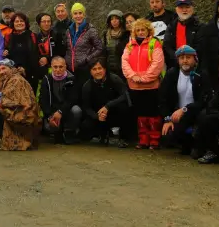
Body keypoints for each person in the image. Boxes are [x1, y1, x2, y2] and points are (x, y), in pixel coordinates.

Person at [121, 19, 165, 150]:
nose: (140, 32)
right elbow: (124, 62)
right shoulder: (129, 45)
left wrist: (144, 78)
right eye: (138, 30)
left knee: (153, 114)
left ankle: (154, 140)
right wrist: (133, 76)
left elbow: (157, 64)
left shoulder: (154, 44)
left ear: (148, 31)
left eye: (143, 30)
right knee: (140, 114)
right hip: (135, 86)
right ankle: (143, 140)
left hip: (151, 86)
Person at [163, 0, 219, 90]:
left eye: (187, 7)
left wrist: (189, 60)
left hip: (196, 69)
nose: (184, 10)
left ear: (192, 9)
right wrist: (178, 59)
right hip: (176, 67)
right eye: (181, 7)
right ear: (176, 9)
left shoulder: (200, 26)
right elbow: (167, 45)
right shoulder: (171, 26)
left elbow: (200, 46)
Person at [159, 46, 207, 155]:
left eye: (188, 57)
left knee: (203, 120)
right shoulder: (172, 74)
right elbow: (163, 98)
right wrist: (167, 119)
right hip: (178, 115)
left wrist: (185, 109)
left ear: (195, 59)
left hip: (196, 113)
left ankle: (198, 144)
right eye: (182, 58)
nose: (185, 60)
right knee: (167, 135)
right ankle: (186, 144)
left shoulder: (201, 74)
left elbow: (204, 100)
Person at [79, 59, 132, 145]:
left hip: (114, 112)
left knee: (124, 108)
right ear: (90, 72)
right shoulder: (87, 86)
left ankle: (123, 137)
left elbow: (125, 95)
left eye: (100, 68)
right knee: (85, 127)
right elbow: (86, 107)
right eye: (94, 69)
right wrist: (97, 116)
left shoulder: (115, 79)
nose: (97, 71)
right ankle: (101, 135)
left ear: (105, 69)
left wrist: (108, 106)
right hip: (98, 114)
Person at [0, 61, 42, 151]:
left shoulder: (16, 80)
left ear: (11, 68)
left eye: (4, 68)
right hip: (20, 112)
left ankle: (3, 139)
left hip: (24, 114)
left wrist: (0, 104)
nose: (1, 72)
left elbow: (16, 101)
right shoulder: (9, 79)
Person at [43, 50, 85, 144]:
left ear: (65, 67)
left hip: (67, 110)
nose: (58, 69)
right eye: (55, 67)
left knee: (77, 110)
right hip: (53, 112)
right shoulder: (46, 79)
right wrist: (49, 116)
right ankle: (57, 132)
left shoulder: (71, 79)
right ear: (51, 67)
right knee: (50, 128)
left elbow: (73, 99)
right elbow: (44, 100)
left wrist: (60, 111)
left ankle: (70, 131)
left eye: (61, 67)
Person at [64, 3, 103, 76]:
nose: (78, 16)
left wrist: (87, 59)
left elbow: (99, 48)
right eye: (75, 13)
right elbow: (67, 48)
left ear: (84, 14)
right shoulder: (68, 31)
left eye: (80, 13)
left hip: (84, 69)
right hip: (69, 69)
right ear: (72, 16)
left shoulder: (91, 30)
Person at [3, 13, 38, 81]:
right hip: (13, 75)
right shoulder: (8, 37)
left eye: (21, 21)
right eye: (16, 21)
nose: (19, 23)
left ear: (25, 23)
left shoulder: (33, 36)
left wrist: (25, 69)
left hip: (31, 74)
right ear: (13, 23)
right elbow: (7, 56)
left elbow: (36, 56)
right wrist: (5, 53)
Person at [102, 10, 127, 75]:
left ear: (121, 20)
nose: (114, 21)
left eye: (116, 18)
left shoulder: (125, 34)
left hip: (123, 68)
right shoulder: (106, 34)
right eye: (112, 19)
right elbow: (103, 51)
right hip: (109, 68)